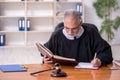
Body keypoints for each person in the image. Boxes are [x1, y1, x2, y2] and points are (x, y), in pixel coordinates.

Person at [43, 9, 113, 67]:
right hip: (62, 72)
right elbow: (47, 52)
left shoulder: (91, 32)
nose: (70, 32)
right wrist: (46, 59)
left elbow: (106, 51)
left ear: (80, 23)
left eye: (74, 29)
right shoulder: (56, 35)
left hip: (85, 73)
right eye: (67, 28)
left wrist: (99, 61)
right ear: (63, 23)